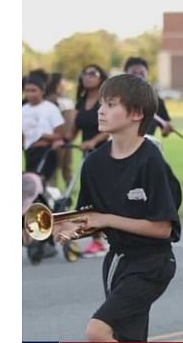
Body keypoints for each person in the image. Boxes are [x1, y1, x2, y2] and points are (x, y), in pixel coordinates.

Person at [53, 74, 182, 342]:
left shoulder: (151, 161)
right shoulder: (93, 164)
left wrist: (108, 219)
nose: (101, 110)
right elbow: (90, 219)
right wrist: (66, 229)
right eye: (101, 104)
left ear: (136, 113)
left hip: (153, 264)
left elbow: (162, 228)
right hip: (116, 263)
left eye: (111, 105)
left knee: (97, 332)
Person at [72, 64, 111, 256]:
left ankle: (102, 239)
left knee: (100, 195)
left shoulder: (106, 100)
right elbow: (75, 128)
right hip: (87, 155)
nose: (87, 77)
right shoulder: (81, 101)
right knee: (88, 195)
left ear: (101, 77)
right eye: (84, 73)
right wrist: (63, 141)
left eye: (92, 74)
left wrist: (93, 141)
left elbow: (110, 126)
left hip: (104, 152)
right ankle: (94, 236)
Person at [22, 70, 65, 185]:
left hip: (46, 153)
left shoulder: (51, 108)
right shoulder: (23, 109)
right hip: (30, 152)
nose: (30, 94)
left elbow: (60, 133)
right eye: (27, 91)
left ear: (42, 91)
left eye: (33, 90)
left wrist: (43, 136)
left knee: (41, 185)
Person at [123, 57, 175, 142]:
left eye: (142, 73)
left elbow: (164, 131)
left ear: (147, 75)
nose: (138, 76)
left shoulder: (156, 101)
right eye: (134, 73)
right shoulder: (116, 98)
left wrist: (167, 129)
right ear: (125, 74)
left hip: (144, 146)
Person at [45, 72, 76, 186]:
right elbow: (69, 122)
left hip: (53, 139)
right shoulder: (62, 100)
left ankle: (56, 197)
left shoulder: (47, 99)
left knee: (57, 171)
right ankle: (64, 197)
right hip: (60, 140)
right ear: (58, 83)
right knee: (64, 170)